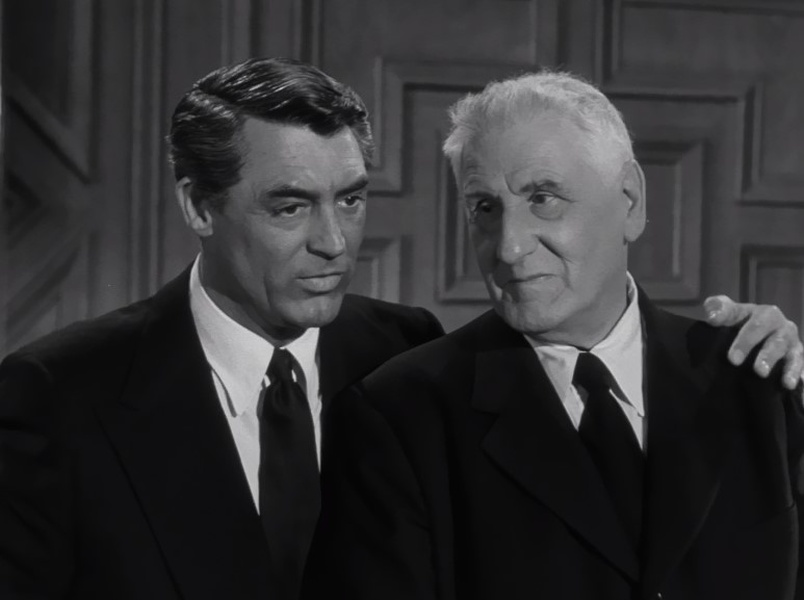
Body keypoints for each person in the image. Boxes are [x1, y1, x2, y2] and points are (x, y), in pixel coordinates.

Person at [0, 58, 799, 600]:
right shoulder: (56, 397)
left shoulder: (400, 351)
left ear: (631, 201)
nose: (334, 243)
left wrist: (764, 351)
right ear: (197, 206)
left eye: (350, 201)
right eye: (290, 206)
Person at [304, 71, 804, 600]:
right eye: (484, 208)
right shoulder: (401, 414)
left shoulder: (753, 379)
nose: (509, 246)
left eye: (543, 198)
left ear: (630, 200)